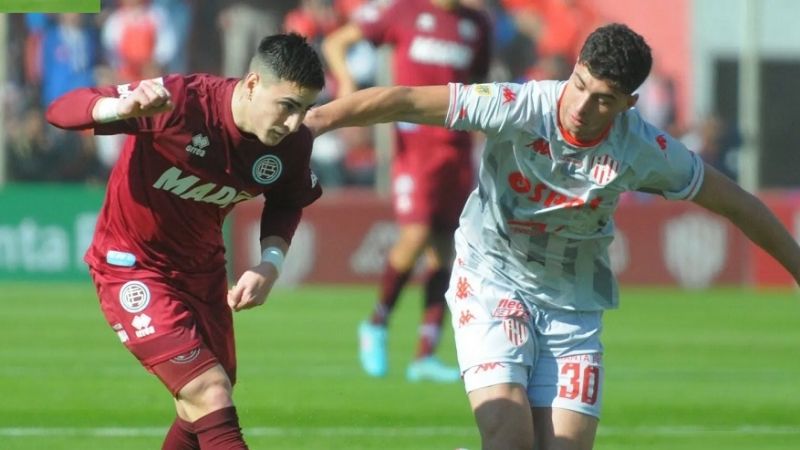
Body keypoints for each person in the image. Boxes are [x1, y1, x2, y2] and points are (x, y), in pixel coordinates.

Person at [304, 23, 800, 450]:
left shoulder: (644, 148)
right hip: (491, 278)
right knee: (510, 437)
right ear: (576, 65)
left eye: (602, 98)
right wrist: (319, 120)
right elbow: (406, 100)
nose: (582, 105)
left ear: (628, 103)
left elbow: (739, 203)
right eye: (580, 84)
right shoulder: (518, 105)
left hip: (572, 307)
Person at [46, 33, 325, 449]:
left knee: (204, 402)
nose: (293, 122)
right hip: (131, 265)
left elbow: (288, 201)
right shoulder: (179, 102)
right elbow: (60, 110)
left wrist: (271, 262)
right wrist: (118, 108)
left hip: (203, 270)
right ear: (251, 84)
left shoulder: (292, 144)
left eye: (304, 110)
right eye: (286, 106)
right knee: (208, 391)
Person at [322, 0, 492, 382]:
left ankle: (425, 355)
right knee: (415, 234)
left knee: (447, 247)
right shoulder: (402, 11)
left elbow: (480, 86)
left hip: (457, 145)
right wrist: (347, 84)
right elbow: (336, 42)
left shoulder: (477, 23)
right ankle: (377, 322)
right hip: (415, 145)